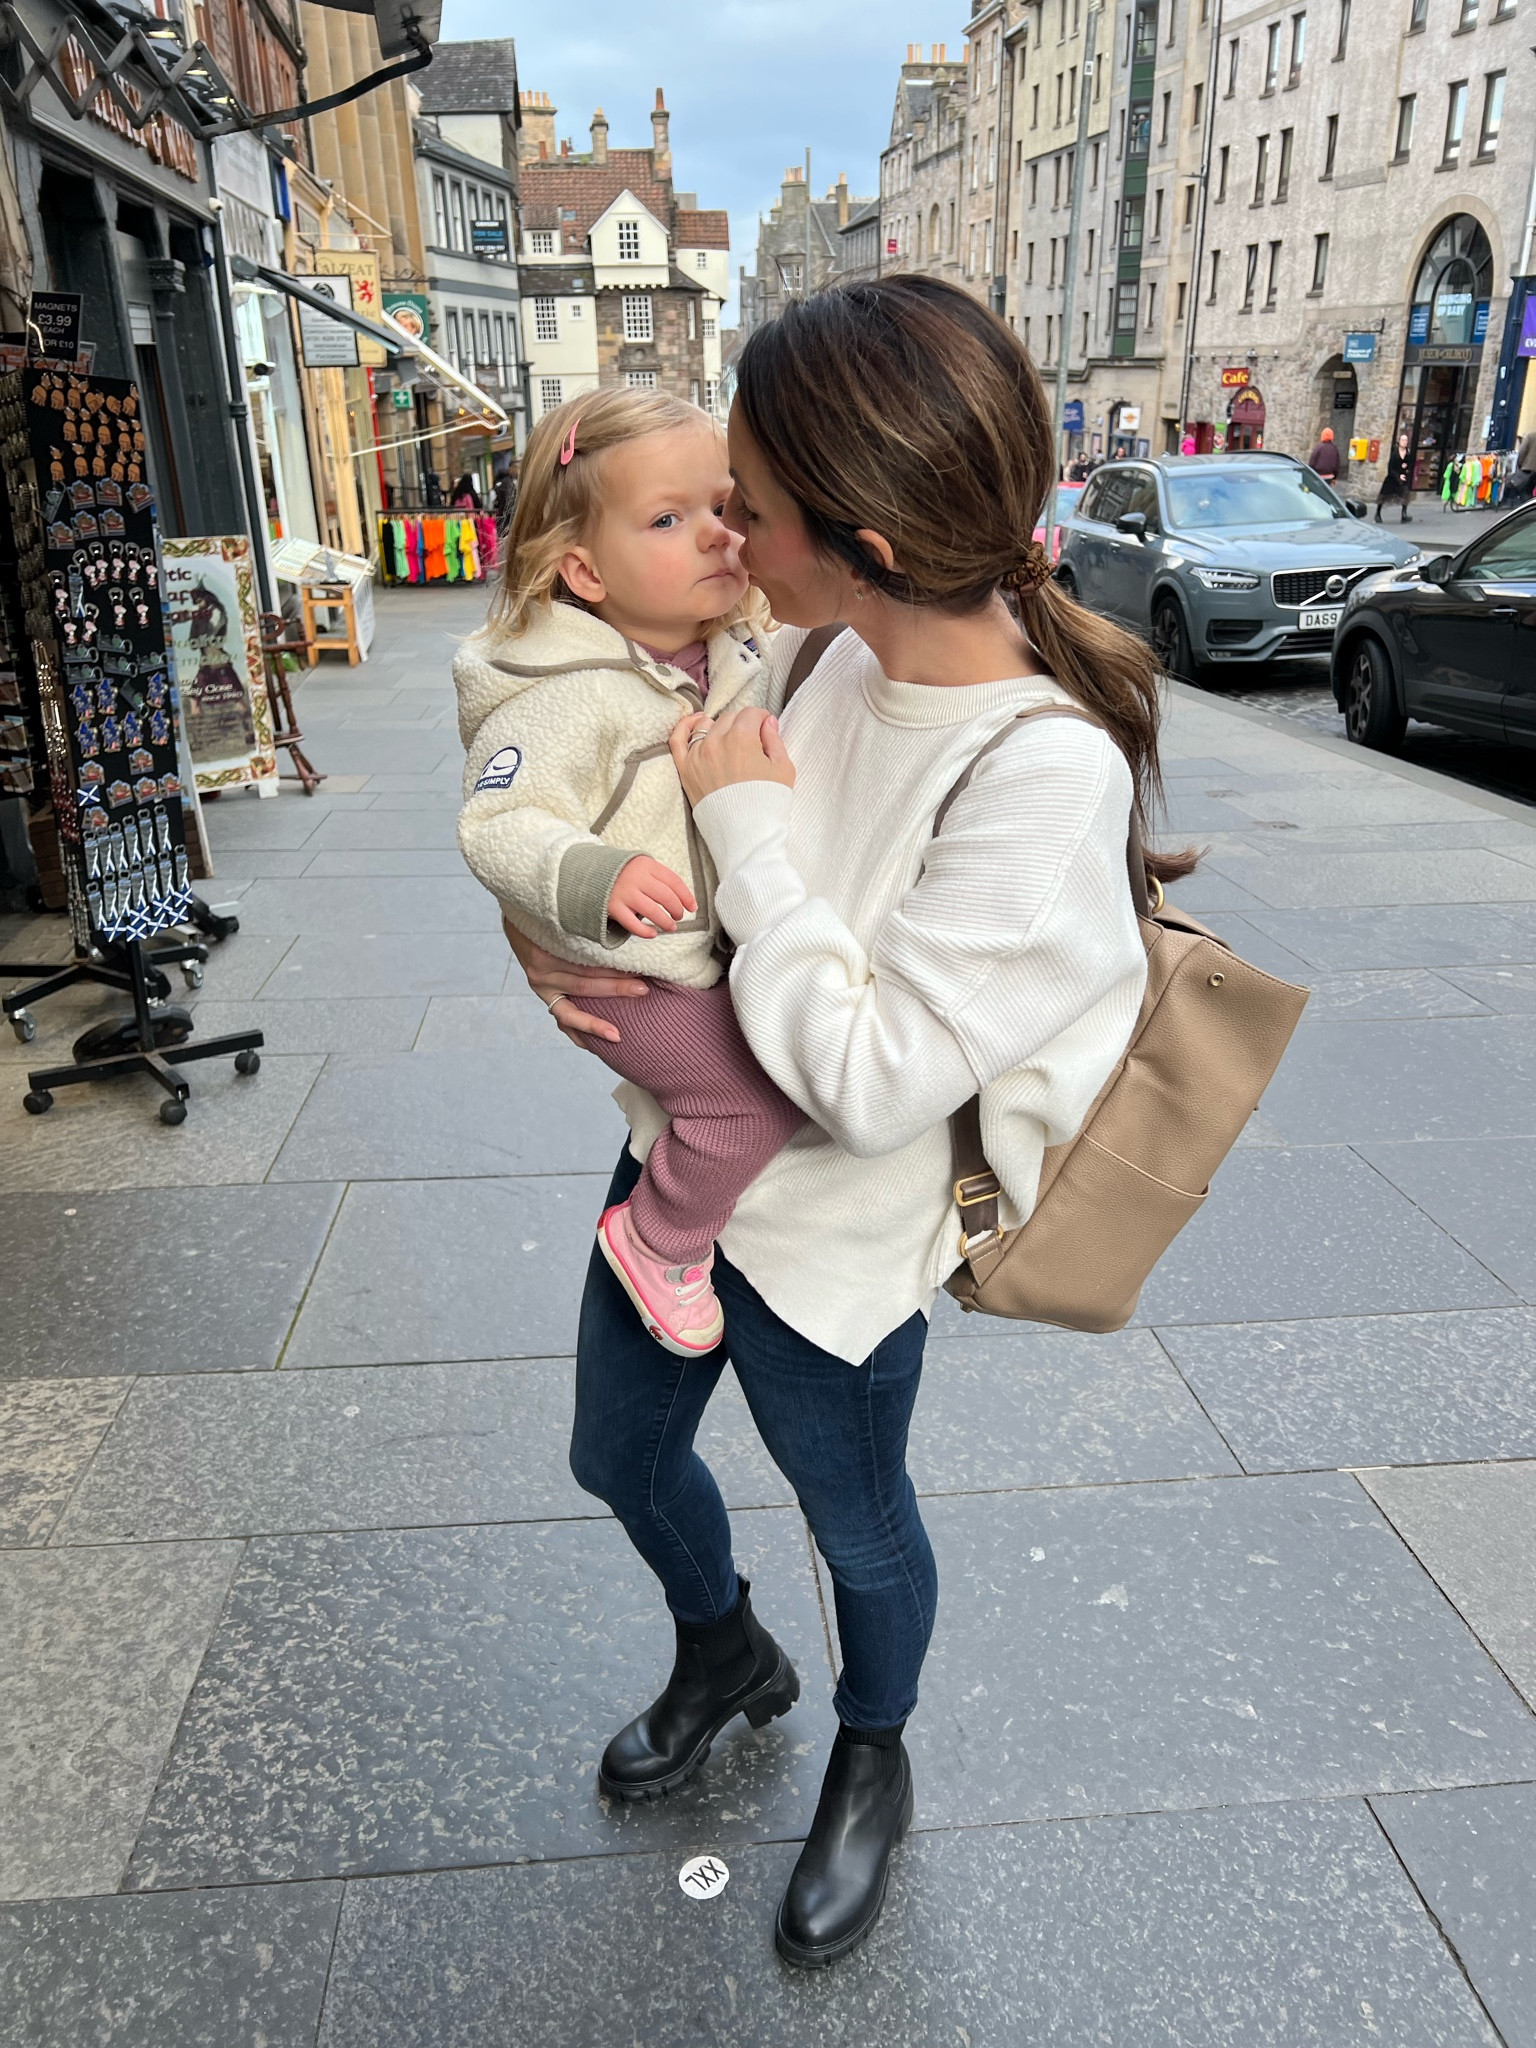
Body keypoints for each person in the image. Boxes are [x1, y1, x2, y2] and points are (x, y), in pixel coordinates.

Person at [502, 277, 1175, 1967]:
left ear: (858, 534)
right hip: (683, 1175)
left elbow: (869, 1075)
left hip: (843, 1245)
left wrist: (751, 834)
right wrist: (555, 927)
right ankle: (725, 1649)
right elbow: (632, 836)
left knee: (856, 1519)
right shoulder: (811, 643)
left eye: (752, 502)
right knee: (617, 1454)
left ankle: (873, 1746)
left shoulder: (1045, 766)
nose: (726, 527)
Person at [454, 388, 801, 1355]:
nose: (717, 537)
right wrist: (591, 878)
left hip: (702, 947)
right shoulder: (560, 691)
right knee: (747, 1101)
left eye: (725, 507)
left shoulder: (732, 644)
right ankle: (660, 1239)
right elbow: (500, 819)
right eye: (668, 519)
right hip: (641, 967)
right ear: (583, 572)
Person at [1376, 428, 1413, 522]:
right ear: (1399, 441)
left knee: (1405, 495)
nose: (1405, 442)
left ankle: (1404, 514)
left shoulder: (1408, 454)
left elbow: (1410, 465)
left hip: (1403, 477)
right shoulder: (1394, 454)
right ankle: (1378, 513)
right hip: (1392, 478)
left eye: (1406, 440)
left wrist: (1407, 469)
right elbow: (1390, 468)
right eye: (1403, 440)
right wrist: (1398, 476)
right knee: (1383, 496)